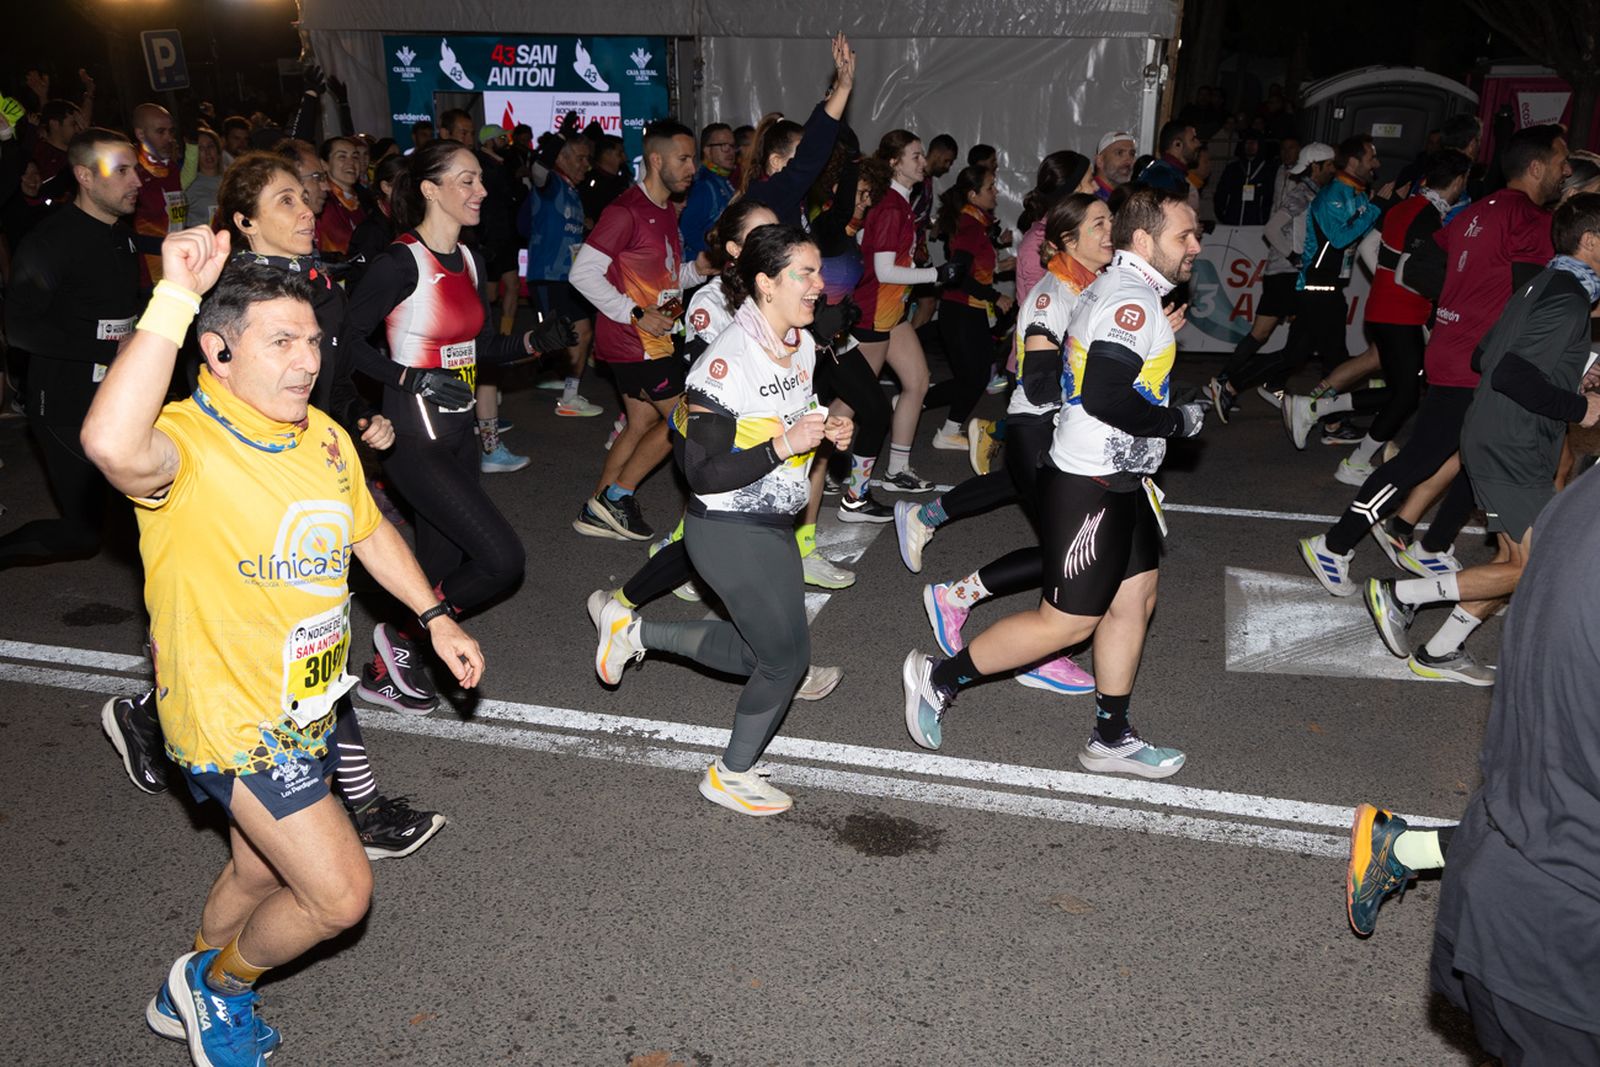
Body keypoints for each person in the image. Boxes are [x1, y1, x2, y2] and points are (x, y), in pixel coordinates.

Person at [80, 225, 485, 1067]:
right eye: (281, 342)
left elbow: (370, 536)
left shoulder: (322, 438)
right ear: (218, 352)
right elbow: (111, 445)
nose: (306, 360)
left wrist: (436, 615)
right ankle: (218, 988)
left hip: (305, 706)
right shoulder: (187, 443)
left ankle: (184, 982)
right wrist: (176, 293)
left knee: (261, 873)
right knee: (340, 894)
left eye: (312, 340)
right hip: (230, 716)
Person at [901, 187, 1208, 776]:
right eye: (1183, 236)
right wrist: (1179, 420)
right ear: (1144, 241)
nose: (1195, 246)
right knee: (1066, 622)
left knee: (1134, 600)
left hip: (1124, 478)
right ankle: (938, 679)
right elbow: (1105, 393)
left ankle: (1110, 737)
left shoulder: (1131, 291)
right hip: (1091, 482)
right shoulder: (1131, 301)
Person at [587, 224, 853, 816]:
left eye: (818, 272)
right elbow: (701, 474)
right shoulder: (723, 365)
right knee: (785, 662)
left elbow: (791, 412)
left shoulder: (801, 343)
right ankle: (730, 775)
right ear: (765, 283)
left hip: (772, 523)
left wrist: (826, 428)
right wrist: (785, 447)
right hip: (727, 529)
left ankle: (635, 632)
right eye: (804, 274)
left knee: (775, 654)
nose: (820, 285)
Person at [1297, 125, 1571, 687]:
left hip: (1452, 343)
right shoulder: (1527, 219)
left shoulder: (1477, 211)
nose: (1566, 170)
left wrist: (1458, 302)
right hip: (1478, 357)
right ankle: (1334, 542)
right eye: (1562, 160)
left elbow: (1419, 267)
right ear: (1538, 167)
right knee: (1423, 458)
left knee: (1474, 456)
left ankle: (1432, 544)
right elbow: (1531, 296)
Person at [1345, 465, 1600, 1060]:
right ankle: (1400, 595)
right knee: (1518, 565)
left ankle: (1399, 846)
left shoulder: (1584, 493)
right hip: (1562, 938)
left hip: (1520, 879)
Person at [339, 140, 574, 712]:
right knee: (500, 560)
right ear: (429, 189)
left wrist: (529, 343)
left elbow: (481, 344)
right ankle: (401, 640)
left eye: (480, 181)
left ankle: (384, 670)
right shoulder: (399, 262)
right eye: (467, 180)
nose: (482, 191)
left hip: (461, 432)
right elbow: (343, 342)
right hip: (413, 440)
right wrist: (409, 379)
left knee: (439, 569)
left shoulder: (469, 259)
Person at [1362, 193, 1600, 683]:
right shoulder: (1570, 298)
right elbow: (1512, 372)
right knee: (1538, 564)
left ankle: (1441, 651)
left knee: (1517, 560)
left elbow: (1486, 354)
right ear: (1591, 242)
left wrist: (1567, 375)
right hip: (1512, 443)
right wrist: (1579, 406)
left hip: (1500, 434)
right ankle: (1399, 595)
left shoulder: (1545, 282)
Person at [899, 193, 1118, 696]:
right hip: (1039, 433)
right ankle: (973, 608)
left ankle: (978, 607)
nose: (1111, 233)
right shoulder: (1052, 296)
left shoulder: (1095, 286)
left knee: (1075, 553)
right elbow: (1041, 384)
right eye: (1100, 224)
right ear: (1067, 240)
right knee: (1073, 556)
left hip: (1070, 433)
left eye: (1112, 222)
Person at [0, 129, 140, 568]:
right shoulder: (49, 242)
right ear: (84, 175)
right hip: (64, 404)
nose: (137, 180)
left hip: (118, 396)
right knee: (81, 535)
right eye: (122, 171)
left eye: (134, 168)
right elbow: (19, 329)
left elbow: (120, 307)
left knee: (150, 507)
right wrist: (108, 350)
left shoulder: (121, 233)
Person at [1292, 151, 1471, 485]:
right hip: (1401, 314)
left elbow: (1368, 249)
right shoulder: (1429, 218)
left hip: (1385, 310)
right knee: (1405, 395)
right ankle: (1354, 461)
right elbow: (1409, 273)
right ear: (1459, 181)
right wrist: (1441, 296)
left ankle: (1317, 409)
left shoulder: (1403, 207)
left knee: (1401, 392)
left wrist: (1387, 284)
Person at [569, 120, 707, 541]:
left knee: (640, 422)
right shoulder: (625, 210)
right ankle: (618, 496)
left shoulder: (664, 209)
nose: (692, 168)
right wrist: (634, 314)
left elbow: (660, 278)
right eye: (684, 159)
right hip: (636, 342)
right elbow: (583, 274)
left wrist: (697, 270)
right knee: (684, 420)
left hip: (655, 339)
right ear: (656, 159)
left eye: (693, 160)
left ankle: (597, 508)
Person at [846, 129, 965, 508]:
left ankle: (897, 469)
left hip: (892, 311)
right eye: (914, 156)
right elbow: (883, 270)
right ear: (894, 163)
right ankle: (815, 468)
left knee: (917, 381)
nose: (923, 162)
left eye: (921, 155)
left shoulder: (900, 204)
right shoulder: (891, 207)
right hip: (874, 311)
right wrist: (937, 274)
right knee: (849, 401)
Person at [1204, 141, 1338, 421]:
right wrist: (1295, 256)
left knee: (1267, 335)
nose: (1334, 170)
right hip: (1286, 274)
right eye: (1330, 165)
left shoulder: (1313, 192)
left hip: (1285, 273)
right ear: (1316, 166)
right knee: (1294, 340)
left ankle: (1229, 382)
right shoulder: (1303, 193)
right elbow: (1273, 227)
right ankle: (1237, 383)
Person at [924, 164, 1015, 450]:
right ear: (973, 194)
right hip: (962, 309)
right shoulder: (970, 225)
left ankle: (913, 401)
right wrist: (994, 296)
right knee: (975, 377)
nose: (996, 191)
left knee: (974, 376)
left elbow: (973, 269)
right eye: (990, 187)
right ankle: (946, 431)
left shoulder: (976, 223)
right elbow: (959, 274)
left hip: (968, 309)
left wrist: (998, 269)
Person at [523, 132, 602, 417]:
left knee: (581, 331)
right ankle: (496, 377)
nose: (586, 165)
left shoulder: (572, 190)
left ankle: (567, 391)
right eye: (580, 158)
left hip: (571, 277)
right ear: (562, 158)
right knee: (557, 335)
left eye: (587, 159)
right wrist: (558, 136)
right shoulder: (549, 183)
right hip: (548, 275)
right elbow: (538, 170)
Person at [131, 103, 187, 288]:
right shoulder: (131, 171)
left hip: (177, 265)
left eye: (171, 131)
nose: (169, 138)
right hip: (147, 273)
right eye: (160, 132)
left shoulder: (170, 168)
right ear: (140, 134)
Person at [678, 122, 736, 261]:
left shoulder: (723, 179)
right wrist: (716, 256)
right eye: (722, 145)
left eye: (732, 145)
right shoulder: (702, 185)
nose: (729, 151)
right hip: (703, 270)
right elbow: (687, 231)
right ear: (707, 151)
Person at [314, 135, 368, 257]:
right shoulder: (320, 202)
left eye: (355, 157)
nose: (351, 163)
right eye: (342, 157)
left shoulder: (367, 201)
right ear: (324, 164)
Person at [1213, 134, 1275, 226]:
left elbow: (1270, 199)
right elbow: (1221, 193)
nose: (1250, 146)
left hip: (1256, 226)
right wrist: (1223, 214)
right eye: (1247, 143)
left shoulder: (1268, 170)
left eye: (1254, 143)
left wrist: (1264, 219)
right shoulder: (1232, 168)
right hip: (1231, 223)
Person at [1139, 121, 1201, 203]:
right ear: (1177, 144)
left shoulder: (1172, 173)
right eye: (1192, 140)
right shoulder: (1163, 177)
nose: (1198, 144)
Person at [184, 128, 224, 228]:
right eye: (200, 148)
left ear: (218, 151)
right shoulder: (188, 183)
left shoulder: (231, 180)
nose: (207, 152)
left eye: (210, 146)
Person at [1092, 131, 1137, 202]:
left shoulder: (1129, 196)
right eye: (1120, 153)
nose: (1128, 160)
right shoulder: (1089, 197)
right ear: (1100, 161)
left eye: (1132, 154)